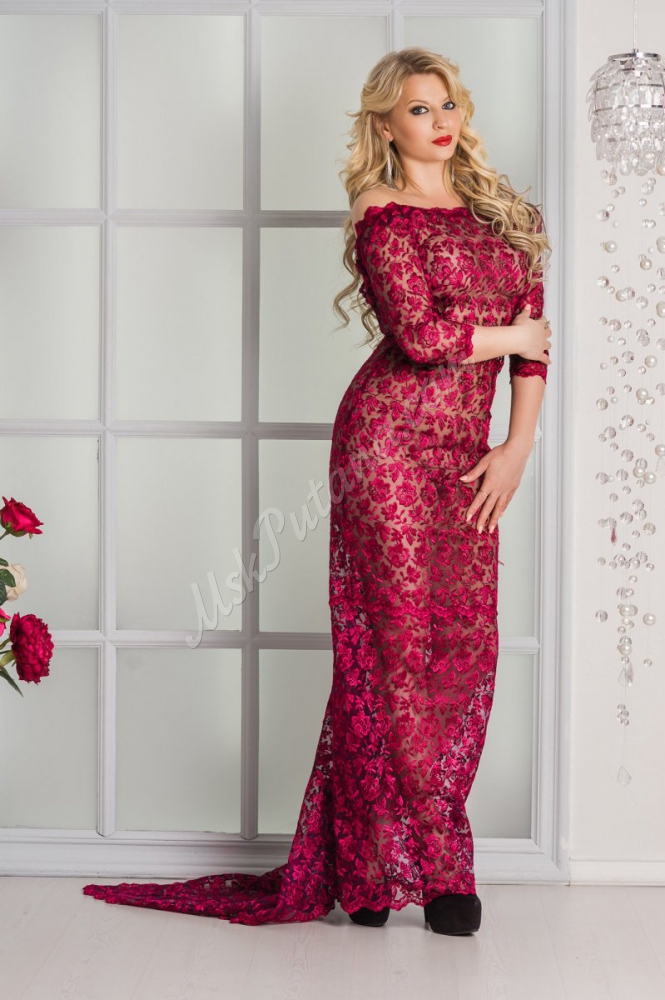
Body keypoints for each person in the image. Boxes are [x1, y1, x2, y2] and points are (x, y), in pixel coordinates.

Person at [83, 46, 552, 935]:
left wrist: (517, 445)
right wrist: (514, 333)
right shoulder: (380, 210)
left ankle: (366, 869)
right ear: (386, 125)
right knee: (395, 653)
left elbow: (535, 347)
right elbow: (421, 337)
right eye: (416, 109)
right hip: (386, 447)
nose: (438, 121)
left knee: (461, 651)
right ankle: (442, 872)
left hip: (470, 455)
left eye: (446, 104)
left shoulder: (510, 216)